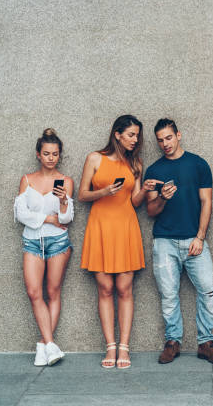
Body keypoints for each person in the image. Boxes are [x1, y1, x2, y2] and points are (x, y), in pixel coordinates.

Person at [145, 118, 213, 365]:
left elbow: (206, 202)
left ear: (178, 135)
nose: (165, 144)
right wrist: (163, 198)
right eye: (160, 140)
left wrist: (200, 237)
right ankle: (173, 342)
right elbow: (151, 211)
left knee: (207, 290)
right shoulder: (154, 171)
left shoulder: (198, 164)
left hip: (194, 239)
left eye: (169, 138)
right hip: (165, 241)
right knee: (169, 294)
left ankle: (206, 343)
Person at [79, 115, 154, 369]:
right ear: (117, 134)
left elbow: (134, 201)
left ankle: (124, 346)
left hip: (126, 227)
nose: (135, 140)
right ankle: (110, 346)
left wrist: (145, 189)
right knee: (105, 289)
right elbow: (82, 194)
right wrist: (104, 191)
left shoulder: (136, 164)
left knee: (125, 289)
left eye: (137, 136)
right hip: (100, 225)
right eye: (131, 135)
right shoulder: (94, 158)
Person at [14, 128, 73, 366]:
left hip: (58, 242)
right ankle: (50, 344)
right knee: (34, 292)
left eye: (55, 154)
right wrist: (48, 218)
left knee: (53, 292)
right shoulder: (27, 180)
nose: (51, 157)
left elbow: (67, 219)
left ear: (59, 155)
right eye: (47, 153)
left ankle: (42, 346)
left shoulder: (66, 181)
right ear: (38, 154)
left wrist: (62, 201)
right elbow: (20, 214)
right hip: (32, 241)